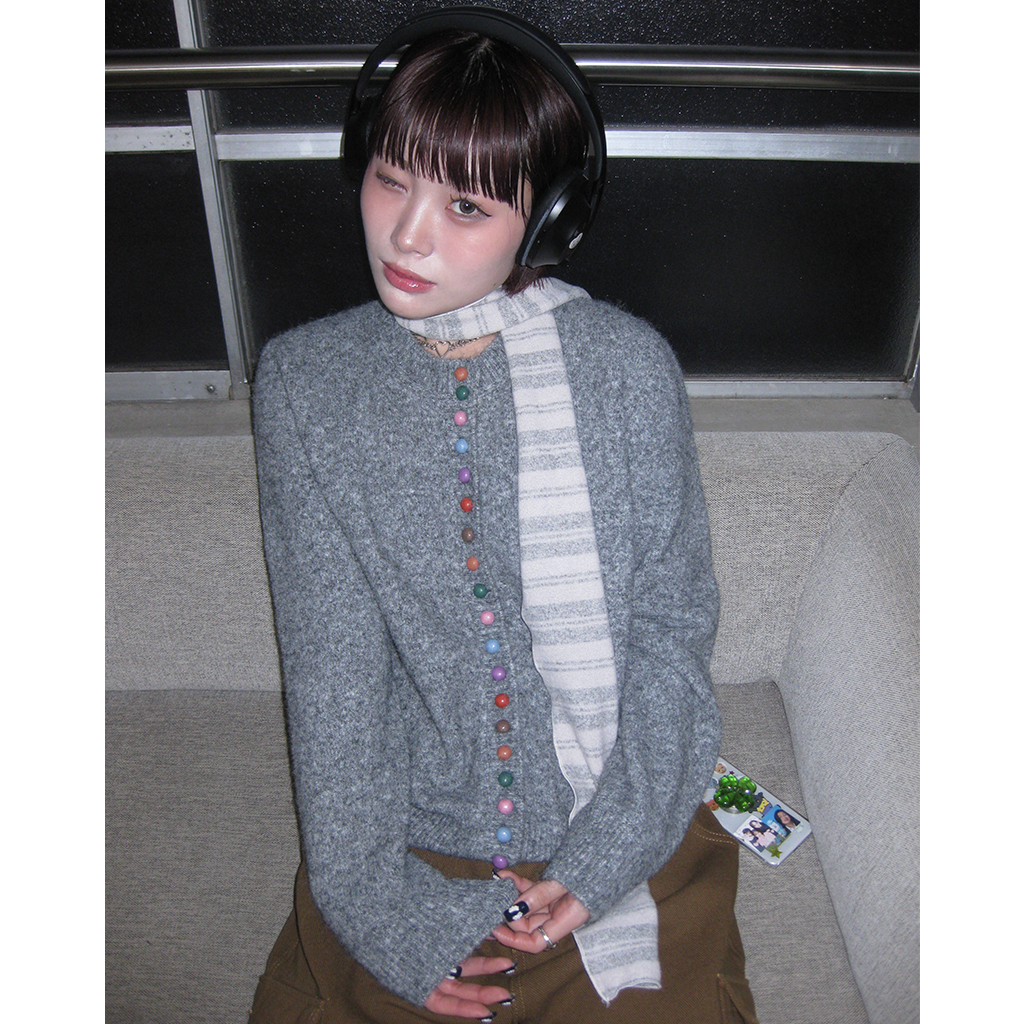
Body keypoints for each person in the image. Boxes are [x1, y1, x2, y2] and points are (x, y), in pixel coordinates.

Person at [249, 8, 758, 1023]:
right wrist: (375, 904)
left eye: (466, 204)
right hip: (410, 845)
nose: (407, 234)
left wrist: (608, 853)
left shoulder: (627, 371)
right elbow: (333, 676)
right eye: (389, 178)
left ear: (551, 220)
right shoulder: (305, 384)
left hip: (625, 806)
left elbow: (669, 634)